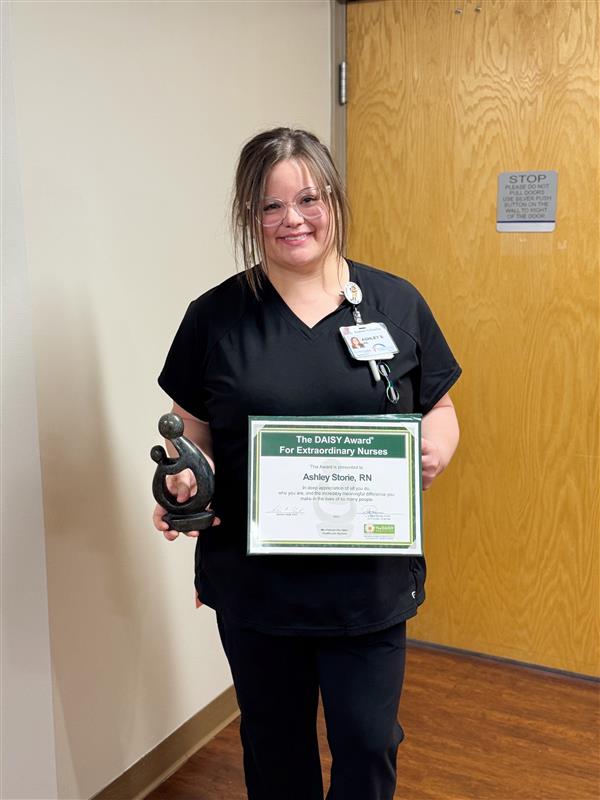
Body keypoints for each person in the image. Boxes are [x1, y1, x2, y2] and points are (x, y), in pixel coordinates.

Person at [153, 127, 460, 800]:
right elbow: (192, 434)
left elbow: (438, 406)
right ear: (248, 214)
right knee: (274, 744)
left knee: (368, 742)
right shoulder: (215, 318)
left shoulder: (395, 304)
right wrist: (183, 477)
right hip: (258, 588)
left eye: (309, 199)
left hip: (369, 586)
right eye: (270, 206)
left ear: (335, 202)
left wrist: (435, 444)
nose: (292, 219)